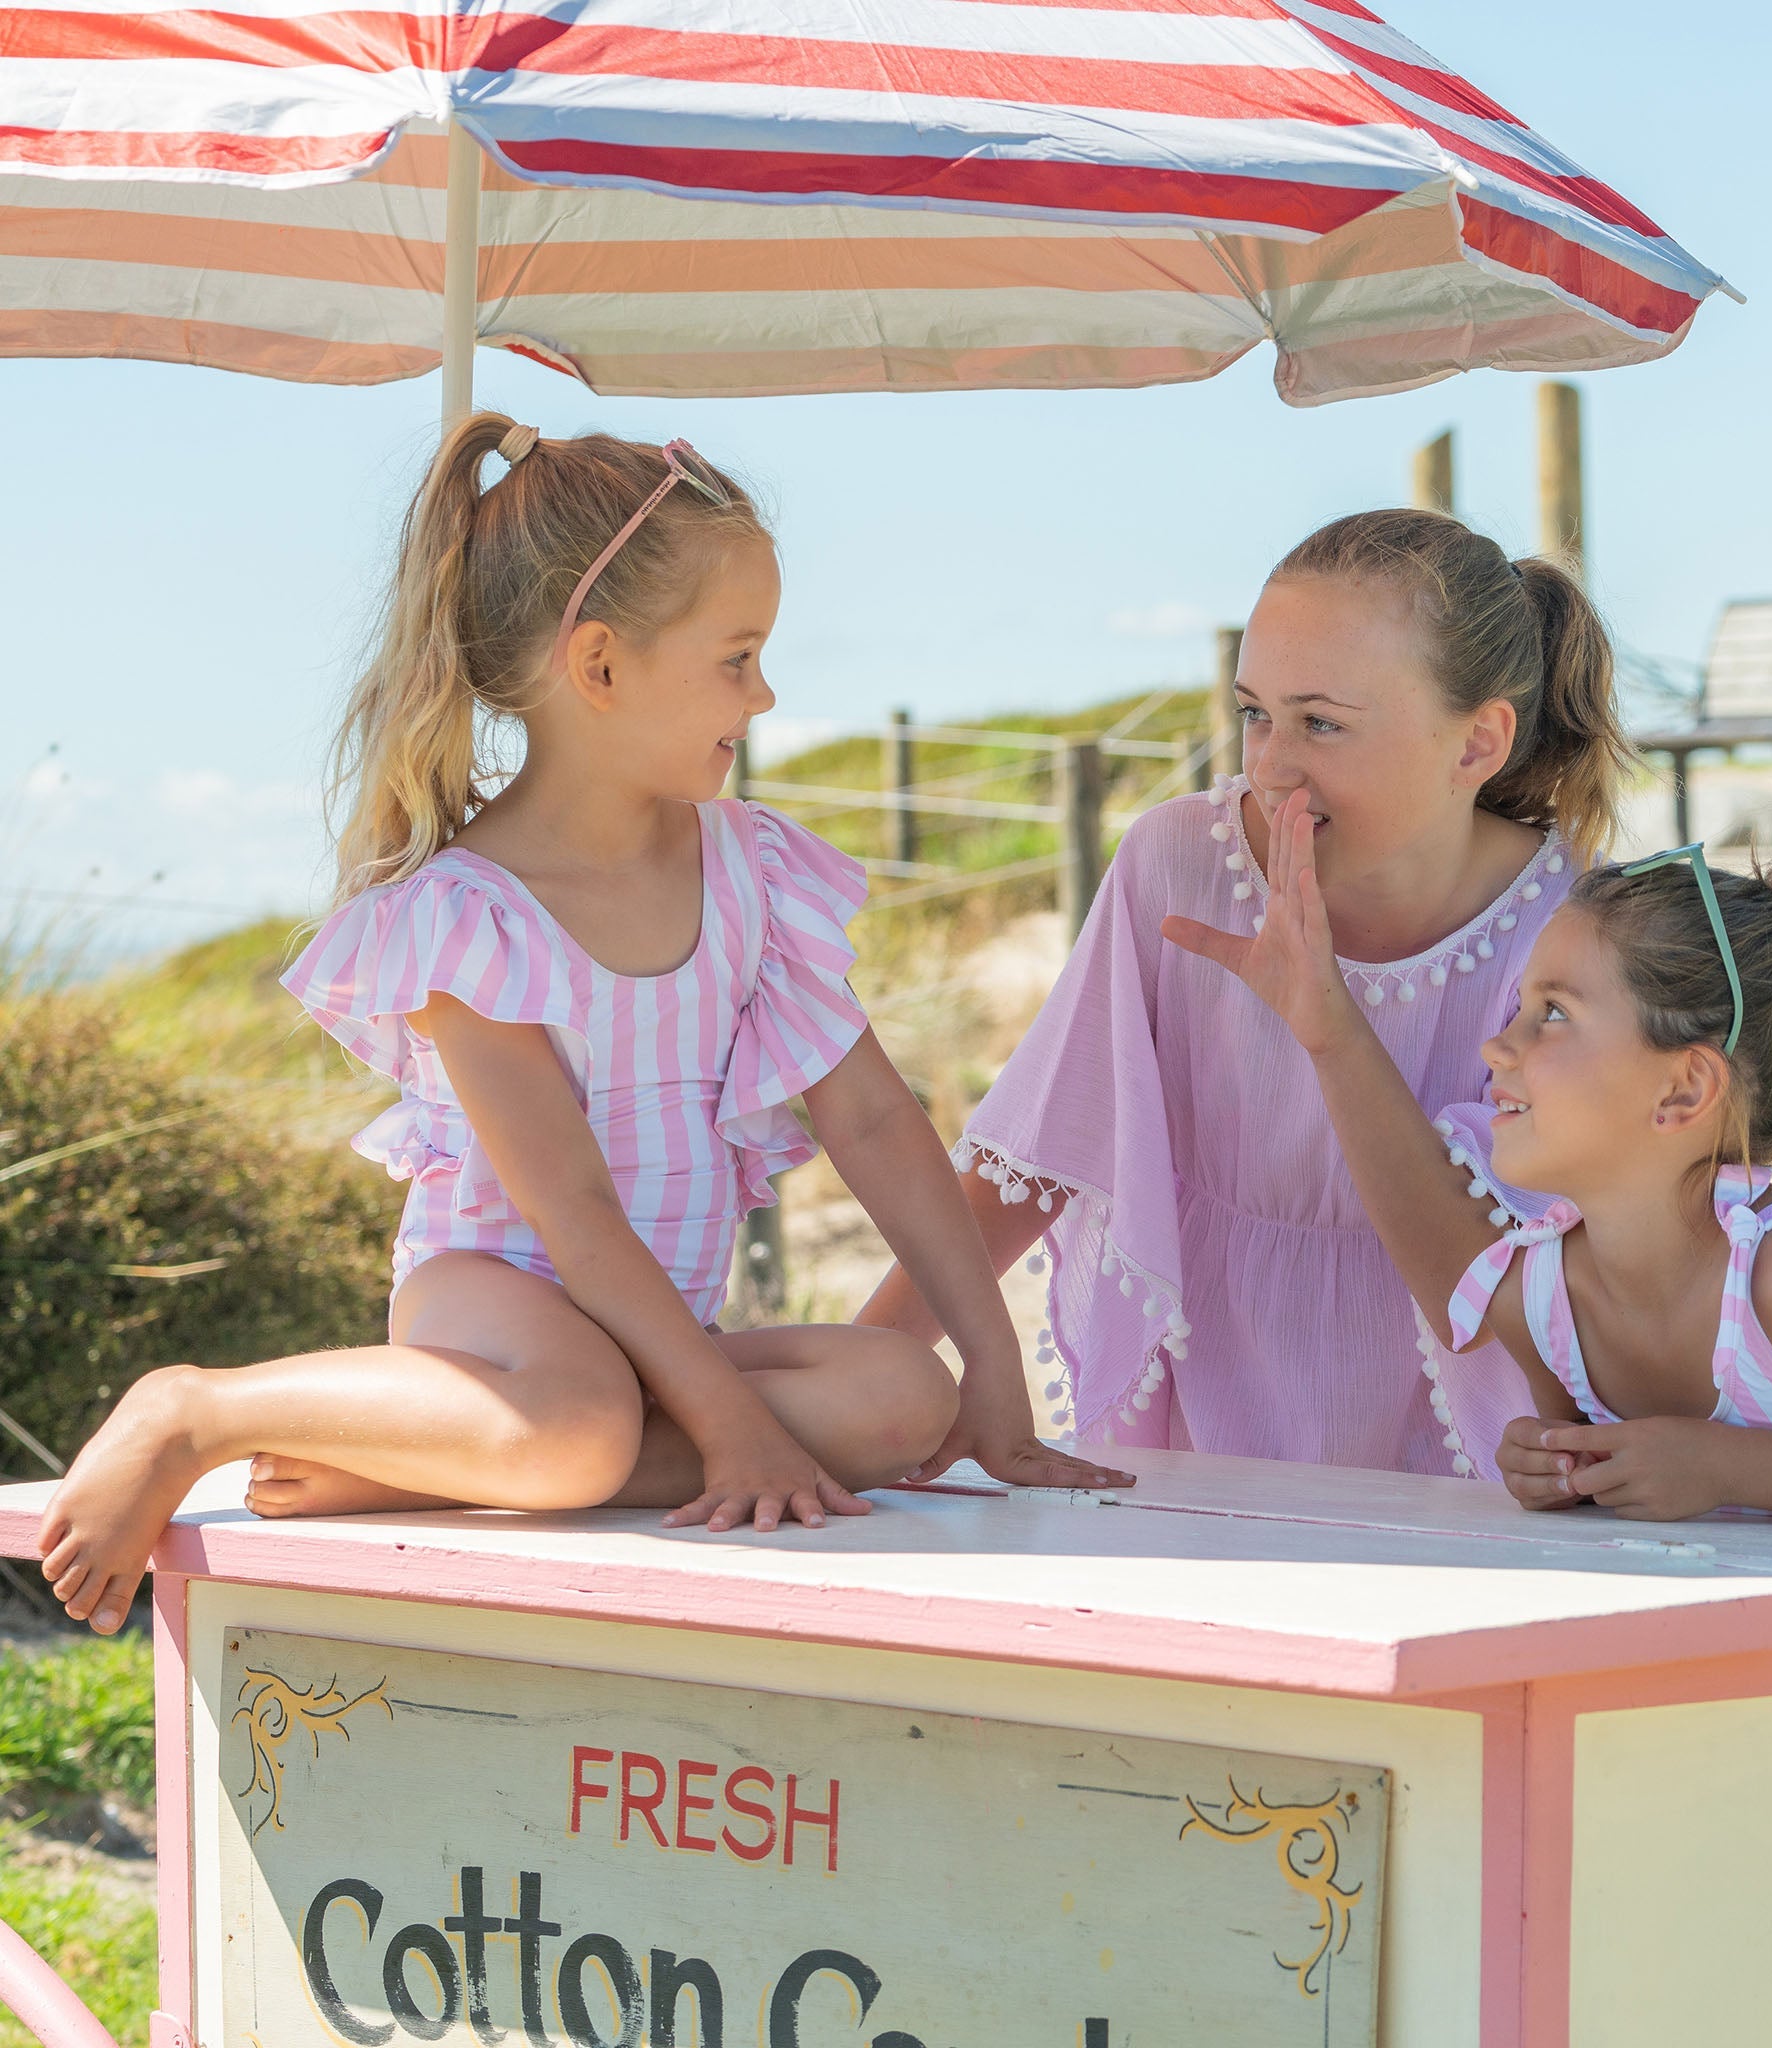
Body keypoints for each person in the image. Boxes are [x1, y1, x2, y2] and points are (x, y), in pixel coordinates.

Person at [39, 416, 1121, 1636]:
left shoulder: (753, 877)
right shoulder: (470, 921)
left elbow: (870, 1115)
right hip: (498, 1306)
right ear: (599, 665)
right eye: (737, 657)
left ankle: (428, 1467)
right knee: (580, 1421)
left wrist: (990, 1362)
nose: (764, 694)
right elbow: (577, 1217)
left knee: (897, 1396)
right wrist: (729, 1426)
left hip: (656, 1332)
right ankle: (201, 1406)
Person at [861, 509, 1630, 1477]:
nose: (1267, 764)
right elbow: (1043, 1150)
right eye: (1253, 711)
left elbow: (1579, 1265)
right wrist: (860, 1367)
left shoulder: (1571, 927)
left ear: (1477, 742)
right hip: (1203, 1392)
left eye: (1320, 722)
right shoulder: (1178, 862)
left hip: (1471, 1438)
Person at [1171, 794, 1772, 1524]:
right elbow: (1433, 1242)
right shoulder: (1546, 1298)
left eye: (1553, 1014)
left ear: (1684, 1091)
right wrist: (1553, 1465)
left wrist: (1722, 1465)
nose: (1496, 1046)